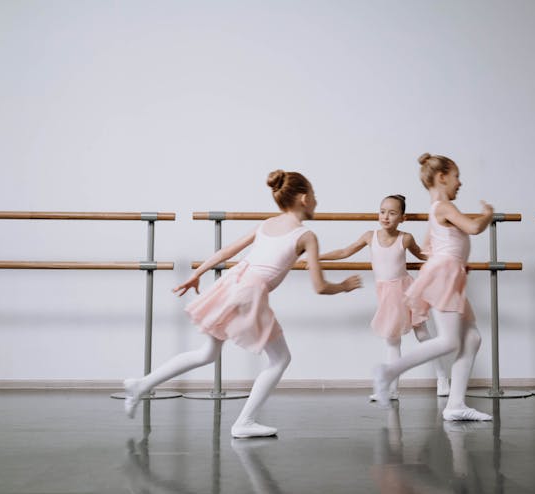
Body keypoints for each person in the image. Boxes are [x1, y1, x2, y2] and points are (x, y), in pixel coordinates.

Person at [123, 170, 362, 438]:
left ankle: (141, 385)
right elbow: (319, 287)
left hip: (232, 283)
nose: (317, 201)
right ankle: (244, 422)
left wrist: (197, 273)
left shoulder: (267, 224)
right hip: (250, 292)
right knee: (281, 358)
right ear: (305, 199)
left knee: (206, 353)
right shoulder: (306, 236)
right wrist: (343, 287)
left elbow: (226, 252)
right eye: (315, 196)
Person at [373, 154, 493, 421]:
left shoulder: (435, 210)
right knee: (449, 340)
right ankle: (389, 372)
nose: (460, 183)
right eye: (456, 176)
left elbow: (430, 247)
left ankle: (455, 404)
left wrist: (459, 261)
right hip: (446, 274)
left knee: (472, 338)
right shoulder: (443, 206)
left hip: (451, 273)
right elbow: (473, 228)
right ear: (442, 177)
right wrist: (487, 216)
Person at [319, 194, 450, 401]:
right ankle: (392, 390)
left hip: (406, 289)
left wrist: (446, 256)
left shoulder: (405, 238)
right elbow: (345, 251)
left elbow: (423, 255)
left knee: (422, 334)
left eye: (392, 213)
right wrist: (317, 256)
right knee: (392, 339)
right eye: (382, 212)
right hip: (387, 294)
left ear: (402, 218)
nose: (386, 217)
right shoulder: (369, 236)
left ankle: (442, 378)